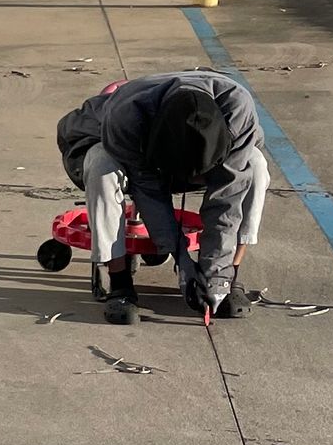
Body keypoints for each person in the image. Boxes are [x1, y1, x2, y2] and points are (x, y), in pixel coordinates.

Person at [55, 70, 270, 325]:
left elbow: (228, 197)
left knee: (255, 165)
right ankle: (119, 281)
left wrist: (216, 270)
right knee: (102, 167)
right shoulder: (126, 117)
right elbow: (150, 194)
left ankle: (229, 277)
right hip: (113, 140)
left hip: (202, 144)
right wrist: (180, 259)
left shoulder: (238, 109)